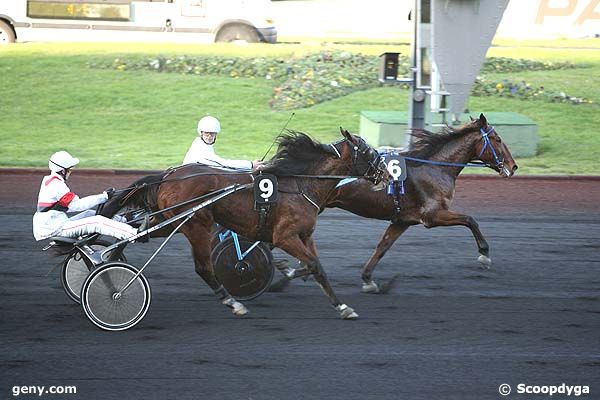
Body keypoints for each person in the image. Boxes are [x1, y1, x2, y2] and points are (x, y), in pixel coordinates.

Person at [32, 151, 140, 241]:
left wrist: (104, 197)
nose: (70, 172)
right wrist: (104, 197)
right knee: (97, 221)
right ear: (62, 171)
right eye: (69, 169)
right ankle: (133, 234)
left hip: (55, 223)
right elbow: (77, 205)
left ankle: (124, 221)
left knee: (89, 214)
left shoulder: (50, 180)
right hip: (54, 228)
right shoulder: (56, 185)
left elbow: (65, 207)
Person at [183, 115, 264, 169]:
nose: (209, 136)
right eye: (206, 133)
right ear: (201, 133)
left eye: (212, 134)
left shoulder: (205, 146)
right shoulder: (199, 148)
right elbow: (223, 164)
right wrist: (250, 164)